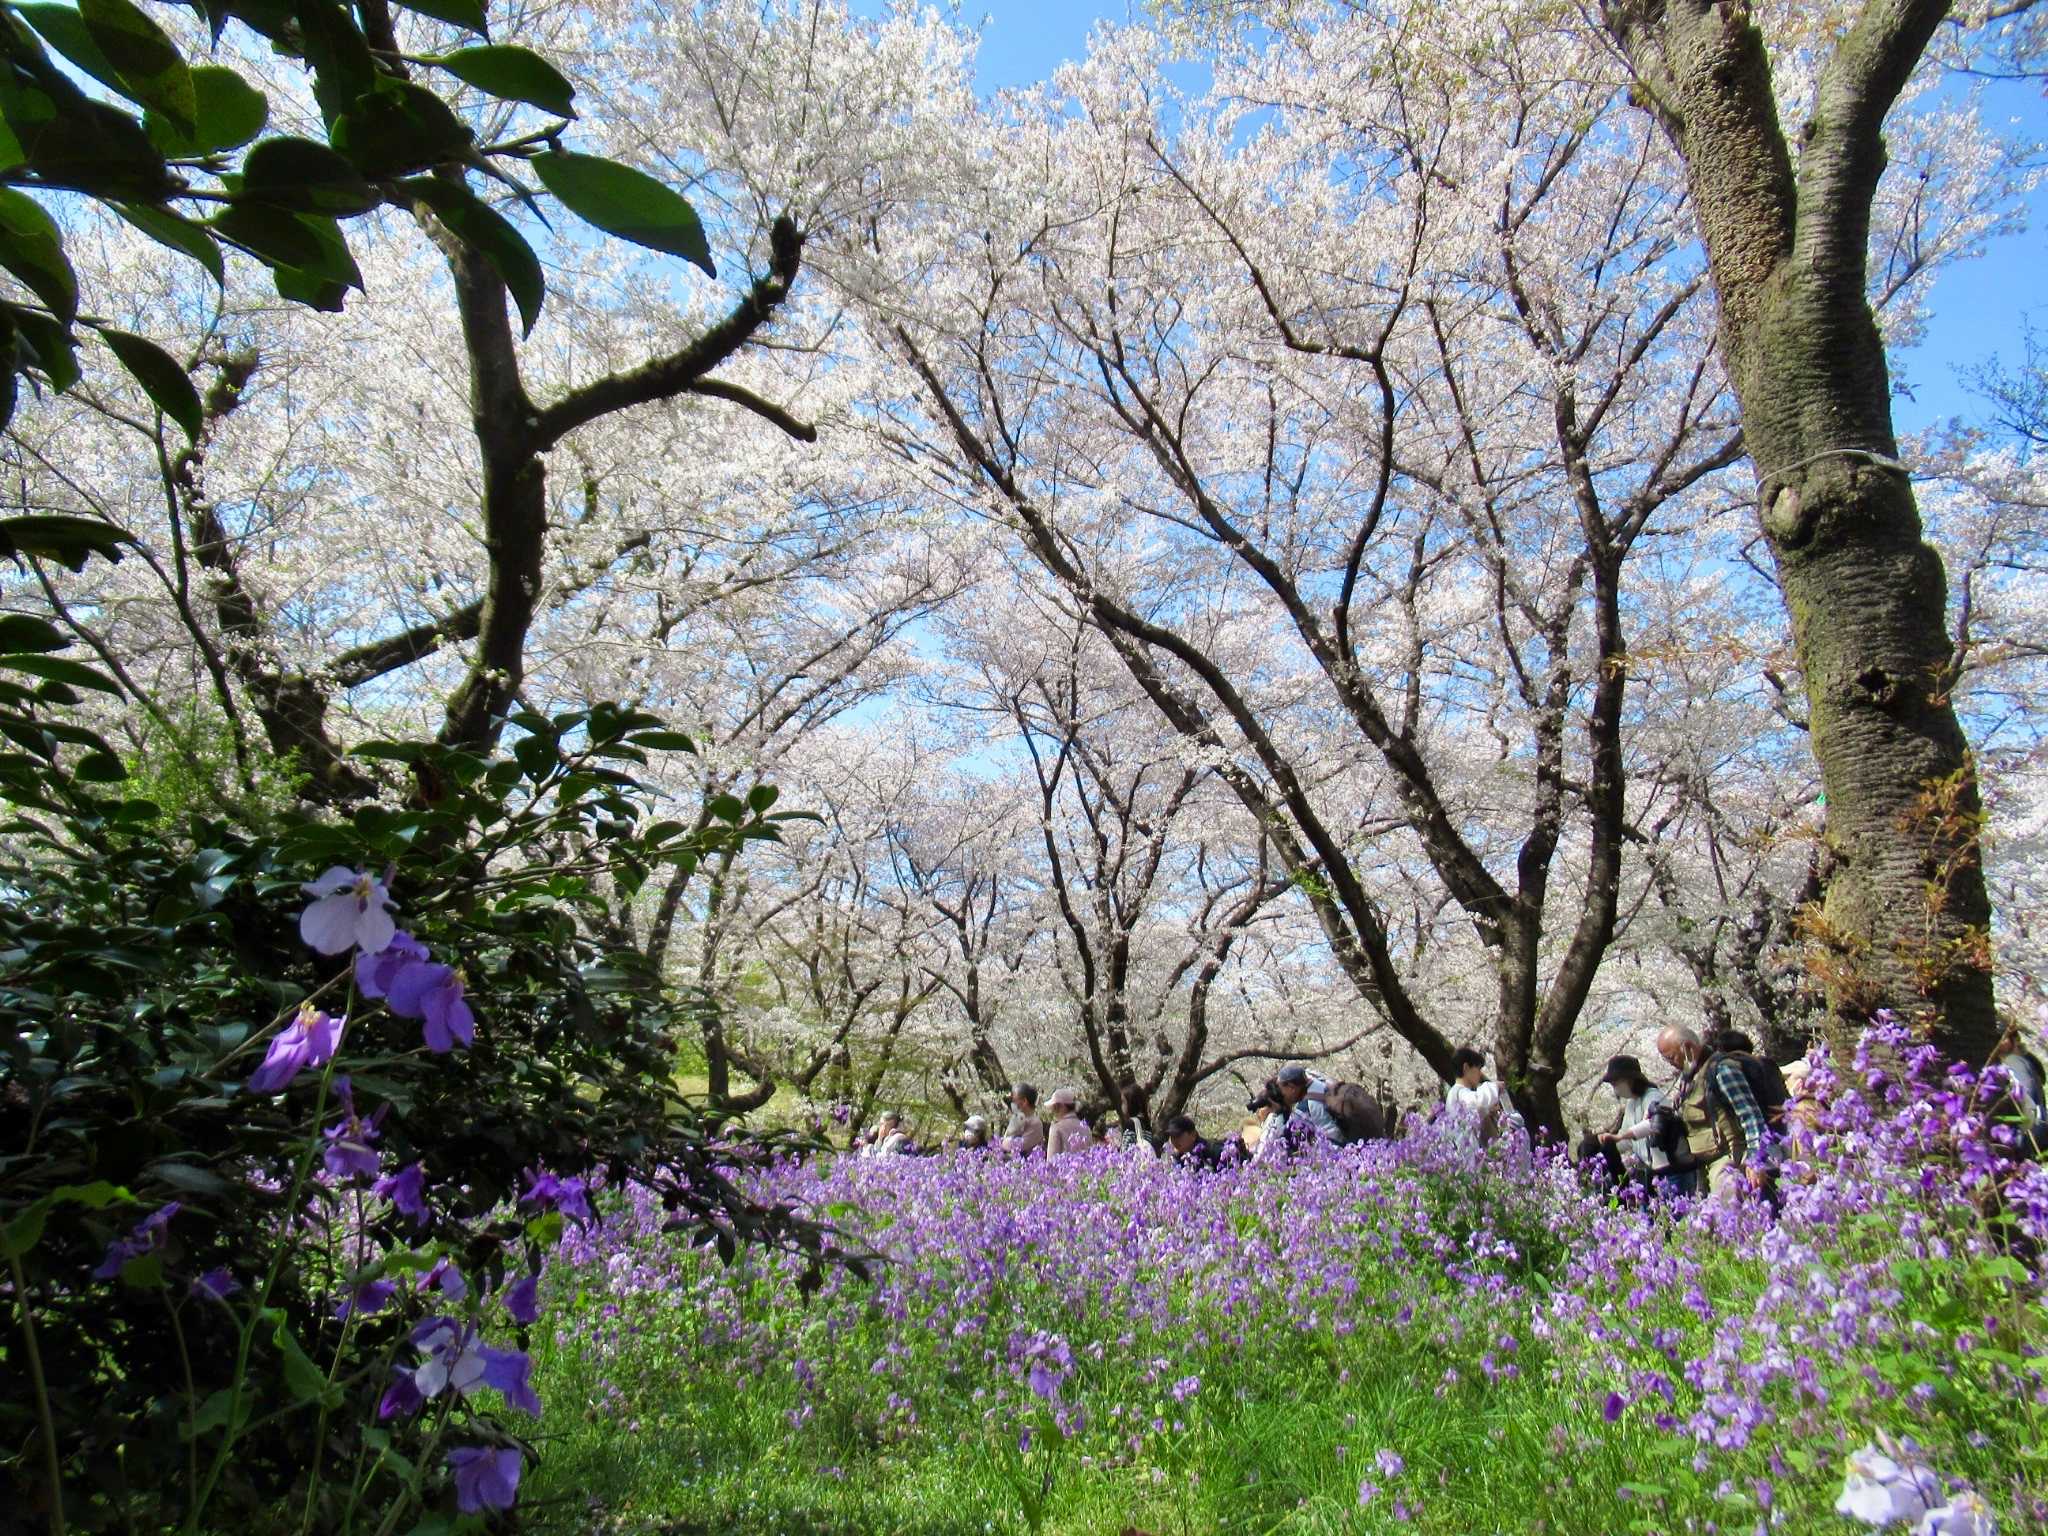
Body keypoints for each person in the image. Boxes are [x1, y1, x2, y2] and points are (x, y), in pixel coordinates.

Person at [1655, 1025, 1775, 1199]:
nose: (1671, 1064)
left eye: (1672, 1057)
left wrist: (1756, 1160)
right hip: (1706, 1162)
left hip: (1733, 1158)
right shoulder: (1689, 1079)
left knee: (1732, 1210)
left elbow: (1750, 1115)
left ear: (1688, 1047)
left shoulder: (1721, 1070)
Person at [1597, 1054, 1682, 1199]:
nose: (1615, 1088)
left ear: (1630, 1079)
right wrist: (1606, 1143)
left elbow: (1653, 1124)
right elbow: (1626, 1142)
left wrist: (1620, 1136)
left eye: (1616, 1083)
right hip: (1652, 1173)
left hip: (1672, 1170)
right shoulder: (1632, 1104)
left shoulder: (1653, 1097)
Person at [1444, 1047, 1522, 1147]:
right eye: (1478, 1068)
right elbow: (1478, 1100)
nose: (1480, 1074)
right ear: (1466, 1068)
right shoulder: (1458, 1093)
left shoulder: (1456, 1093)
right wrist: (1495, 1087)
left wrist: (1488, 1111)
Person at [1991, 1026, 2047, 1155]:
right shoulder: (2025, 1060)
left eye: (2004, 1038)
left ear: (2015, 1040)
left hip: (2028, 1128)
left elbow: (2027, 1092)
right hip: (2038, 1124)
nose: (2000, 1042)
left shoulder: (2013, 1060)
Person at [1001, 1083, 1046, 1157]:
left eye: (1014, 1100)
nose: (1012, 1103)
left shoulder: (1035, 1123)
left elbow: (1015, 1146)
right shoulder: (1016, 1119)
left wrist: (1005, 1142)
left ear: (1024, 1101)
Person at [1044, 1088, 1091, 1157]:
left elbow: (1051, 1160)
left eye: (1054, 1107)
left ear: (1061, 1106)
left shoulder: (1056, 1128)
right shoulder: (1086, 1128)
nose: (1052, 1111)